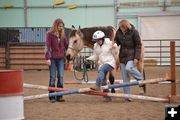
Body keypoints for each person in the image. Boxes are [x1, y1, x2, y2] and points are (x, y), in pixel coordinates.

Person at [114, 19, 144, 101]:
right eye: (120, 27)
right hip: (122, 57)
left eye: (123, 27)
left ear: (127, 27)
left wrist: (136, 58)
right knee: (125, 78)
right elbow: (116, 40)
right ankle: (127, 96)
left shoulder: (134, 32)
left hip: (132, 55)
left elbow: (138, 45)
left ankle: (140, 78)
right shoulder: (119, 32)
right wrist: (114, 44)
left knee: (129, 68)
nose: (121, 29)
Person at [86, 30, 118, 101]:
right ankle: (107, 96)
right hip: (102, 63)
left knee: (102, 70)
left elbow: (116, 51)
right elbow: (96, 56)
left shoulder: (109, 43)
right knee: (103, 79)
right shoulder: (96, 46)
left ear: (102, 39)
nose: (97, 42)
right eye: (96, 40)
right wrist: (88, 59)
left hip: (110, 63)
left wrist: (114, 47)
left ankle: (97, 85)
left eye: (98, 40)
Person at [45, 18, 68, 103]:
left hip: (61, 58)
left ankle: (59, 96)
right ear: (55, 25)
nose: (61, 28)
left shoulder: (63, 35)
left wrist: (72, 52)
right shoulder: (49, 34)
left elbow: (66, 45)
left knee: (61, 77)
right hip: (52, 59)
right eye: (59, 26)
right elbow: (47, 47)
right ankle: (52, 97)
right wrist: (47, 58)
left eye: (62, 26)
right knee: (53, 77)